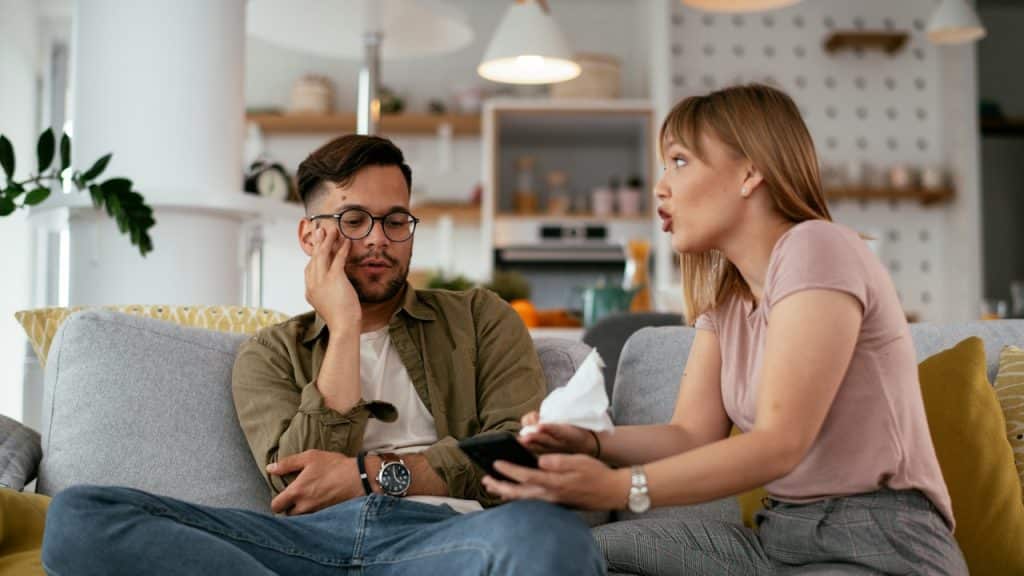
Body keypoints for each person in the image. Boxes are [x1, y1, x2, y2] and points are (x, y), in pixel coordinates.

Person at [42, 135, 604, 576]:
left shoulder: (481, 318)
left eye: (396, 220)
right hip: (301, 549)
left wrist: (370, 475)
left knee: (552, 536)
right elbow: (296, 494)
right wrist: (344, 327)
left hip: (447, 542)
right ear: (311, 237)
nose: (379, 240)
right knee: (80, 516)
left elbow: (511, 461)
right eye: (354, 221)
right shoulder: (269, 353)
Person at [484, 84, 968, 575]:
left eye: (679, 161)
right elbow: (691, 435)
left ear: (751, 172)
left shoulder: (817, 247)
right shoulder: (728, 303)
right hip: (778, 537)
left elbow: (781, 442)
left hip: (876, 539)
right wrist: (591, 443)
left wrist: (618, 487)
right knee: (575, 550)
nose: (660, 186)